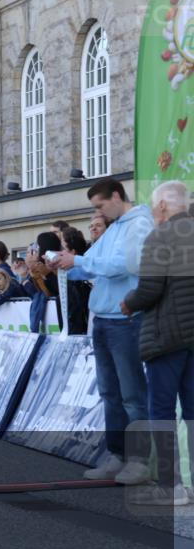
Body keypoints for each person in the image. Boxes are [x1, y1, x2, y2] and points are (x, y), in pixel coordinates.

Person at [53, 177, 154, 484]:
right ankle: (118, 455)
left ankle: (139, 460)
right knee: (111, 393)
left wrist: (78, 261)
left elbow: (125, 265)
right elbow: (95, 263)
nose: (98, 213)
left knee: (131, 395)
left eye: (99, 206)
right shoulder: (118, 227)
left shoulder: (139, 224)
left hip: (126, 321)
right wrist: (66, 265)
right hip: (107, 320)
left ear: (115, 196)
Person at [121, 181, 194, 505]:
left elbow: (150, 289)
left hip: (167, 336)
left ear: (163, 205)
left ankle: (171, 485)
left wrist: (129, 303)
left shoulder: (160, 236)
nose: (153, 211)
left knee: (162, 411)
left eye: (154, 206)